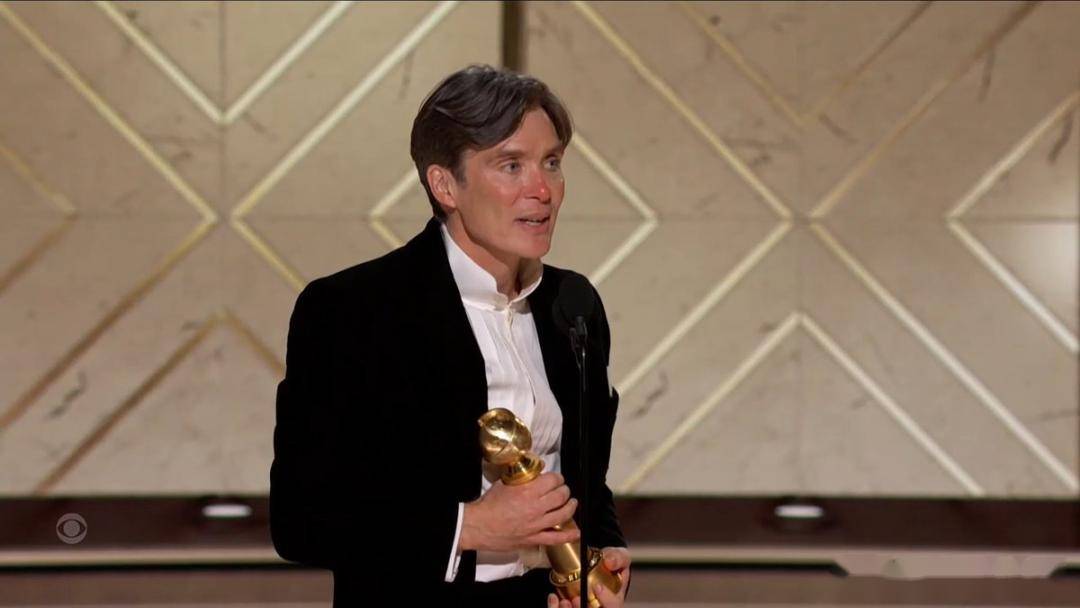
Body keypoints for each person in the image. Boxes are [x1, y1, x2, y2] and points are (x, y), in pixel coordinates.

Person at [270, 64, 630, 607]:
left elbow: (585, 479)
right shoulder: (353, 310)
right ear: (445, 185)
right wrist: (469, 526)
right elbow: (300, 520)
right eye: (511, 165)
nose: (542, 190)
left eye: (552, 162)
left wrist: (601, 554)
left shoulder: (573, 304)